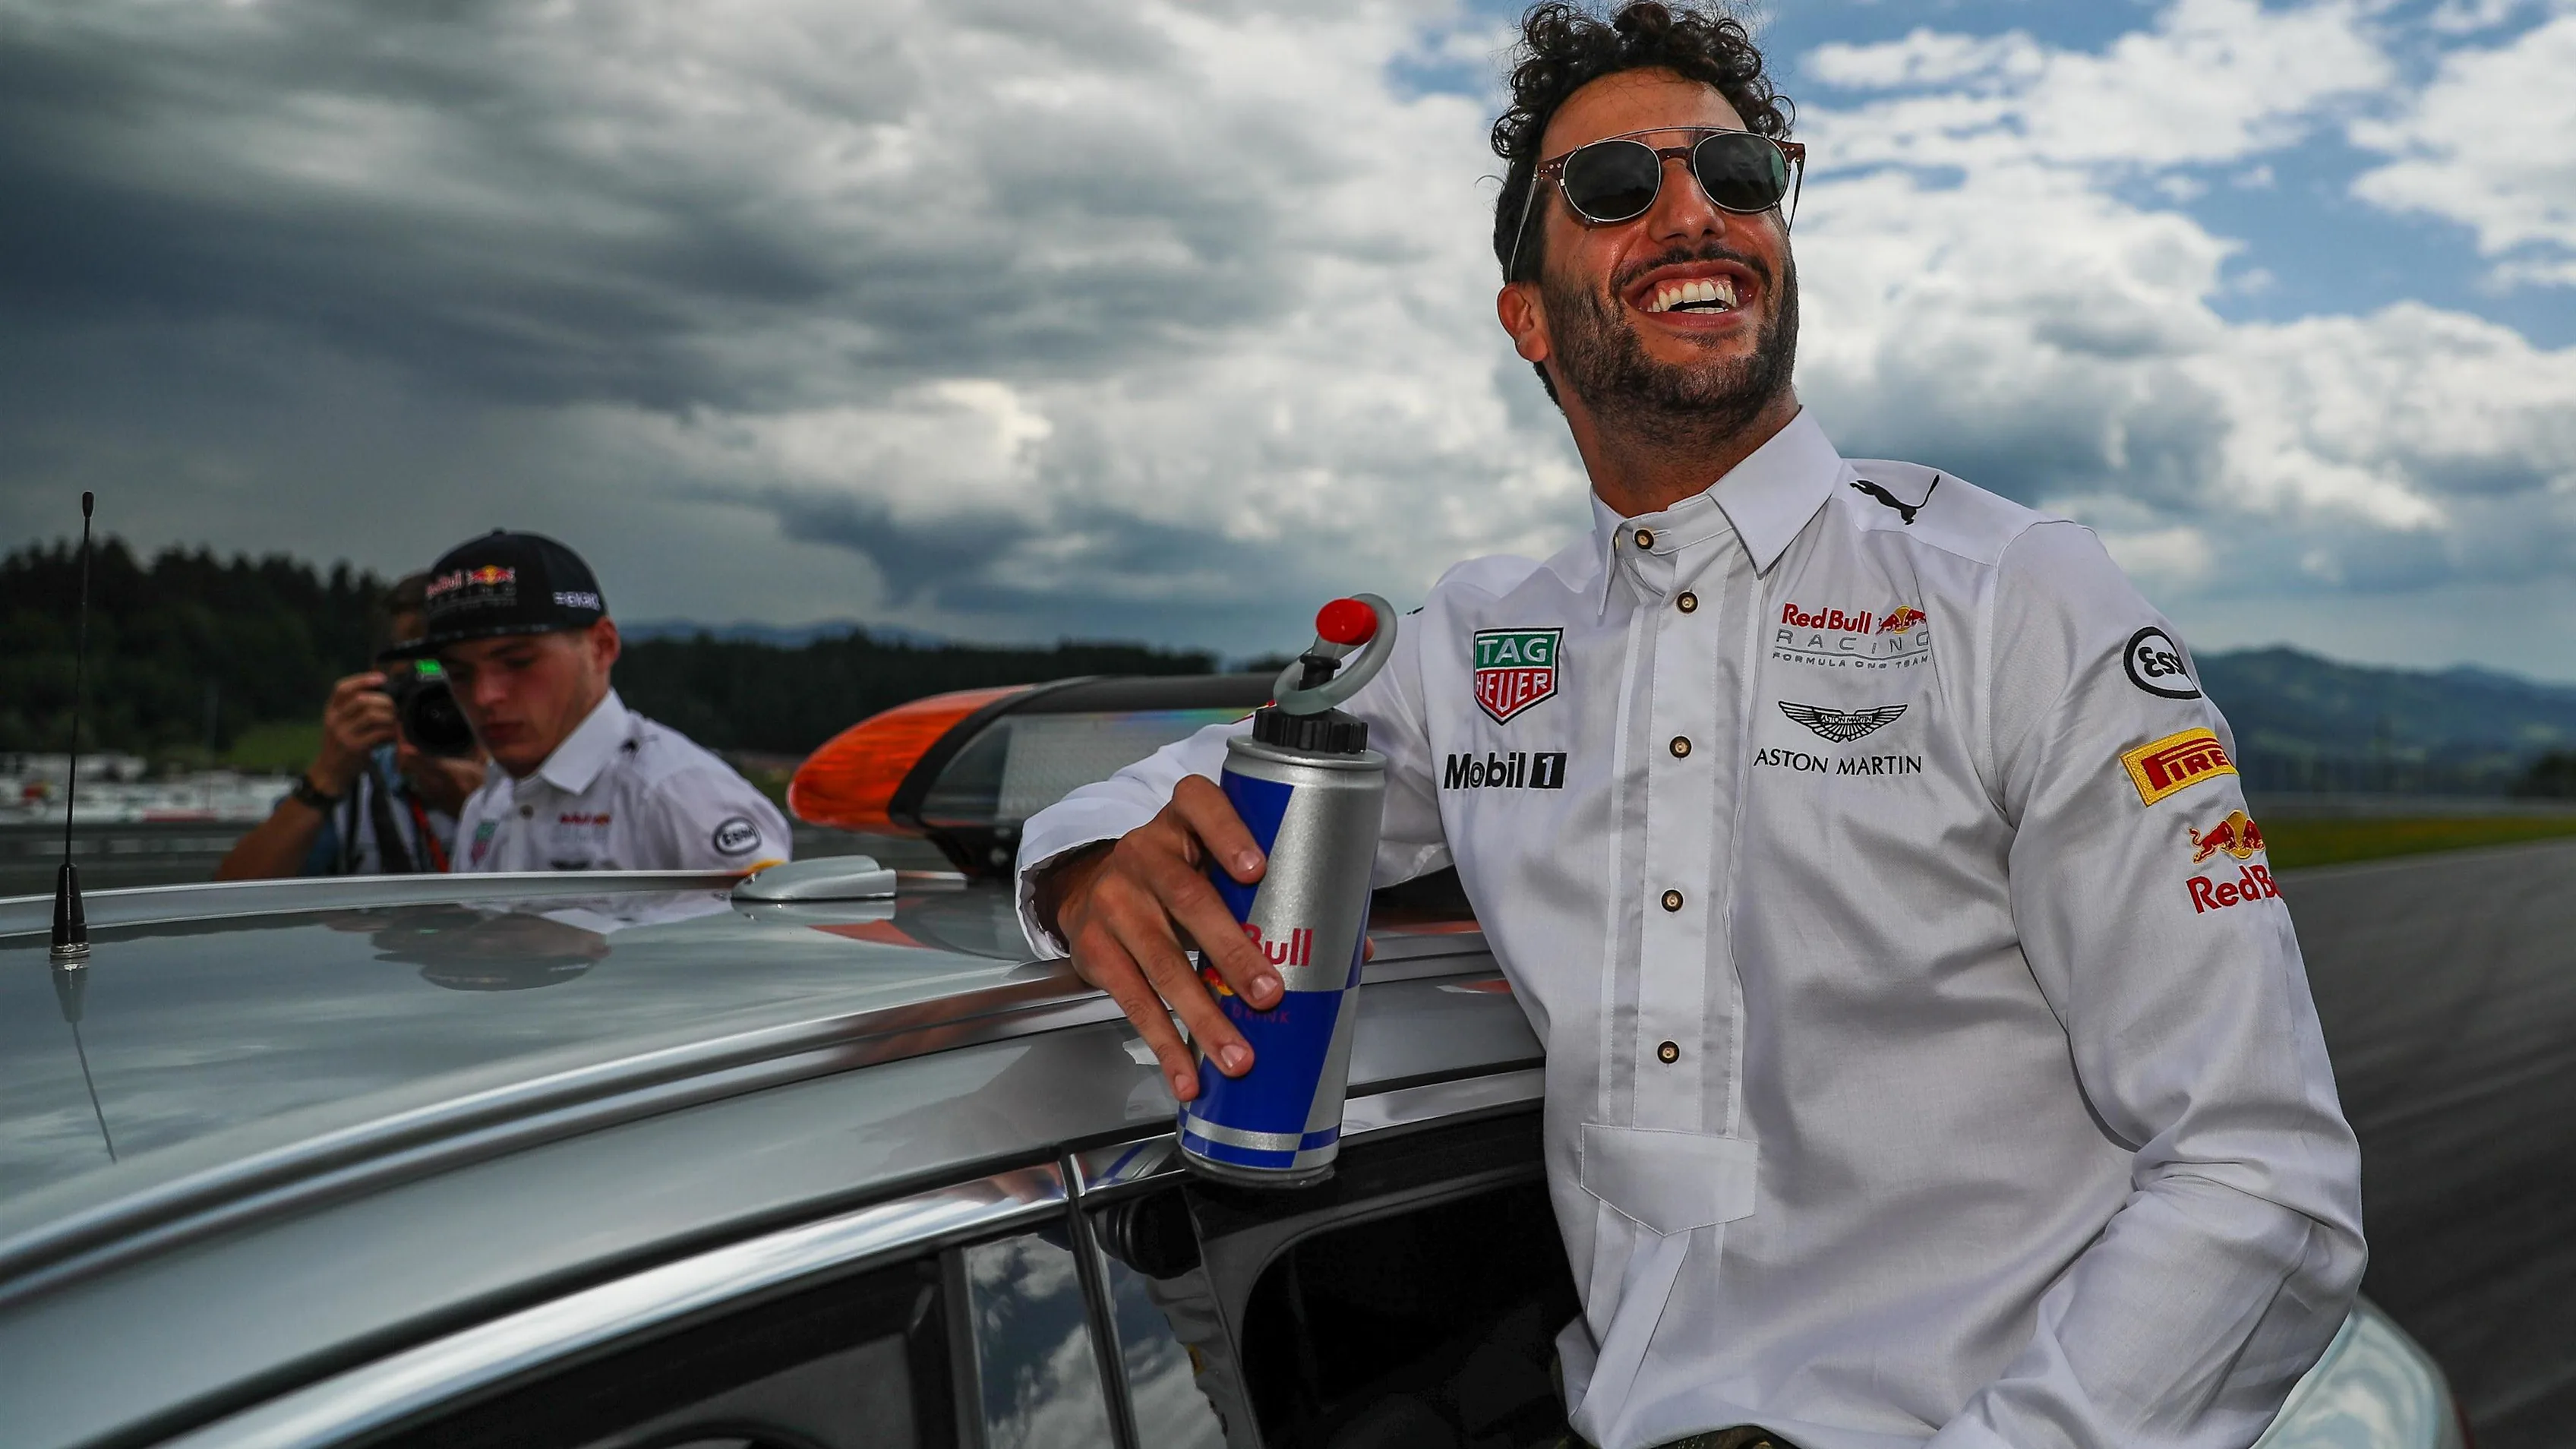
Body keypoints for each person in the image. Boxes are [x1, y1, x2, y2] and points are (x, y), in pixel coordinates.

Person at [1012, 7, 2364, 1449]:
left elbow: (2260, 1172)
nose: (1690, 213)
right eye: (1610, 188)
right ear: (1526, 313)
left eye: (1736, 174)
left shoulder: (2015, 598)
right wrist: (1088, 870)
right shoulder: (1481, 642)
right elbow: (1162, 799)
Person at [394, 529, 791, 873]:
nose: (484, 696)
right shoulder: (486, 807)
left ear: (602, 647)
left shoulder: (680, 798)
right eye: (459, 674)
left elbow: (770, 950)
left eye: (517, 662)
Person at [216, 573, 487, 879]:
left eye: (457, 672)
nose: (443, 699)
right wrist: (326, 777)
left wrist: (488, 811)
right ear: (379, 680)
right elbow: (232, 893)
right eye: (418, 671)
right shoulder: (355, 792)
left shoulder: (527, 781)